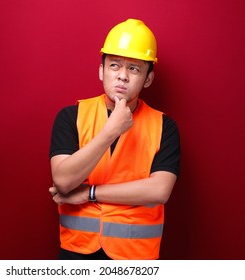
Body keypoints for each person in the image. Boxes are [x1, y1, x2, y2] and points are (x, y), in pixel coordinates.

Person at [48, 18, 180, 260]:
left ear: (148, 78)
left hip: (135, 257)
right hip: (76, 254)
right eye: (115, 65)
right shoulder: (71, 116)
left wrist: (90, 193)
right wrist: (111, 131)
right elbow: (64, 180)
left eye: (134, 68)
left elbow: (159, 190)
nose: (122, 76)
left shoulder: (165, 127)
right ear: (101, 71)